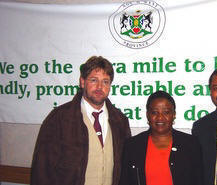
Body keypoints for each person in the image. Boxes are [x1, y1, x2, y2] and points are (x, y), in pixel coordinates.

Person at [31, 56, 131, 185]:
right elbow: (42, 171)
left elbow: (127, 168)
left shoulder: (120, 121)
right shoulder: (59, 118)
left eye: (105, 82)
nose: (100, 87)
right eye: (94, 80)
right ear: (82, 82)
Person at [119, 90, 203, 185]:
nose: (160, 117)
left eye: (166, 112)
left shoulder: (190, 144)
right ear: (147, 115)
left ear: (174, 114)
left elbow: (198, 180)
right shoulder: (132, 146)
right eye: (154, 112)